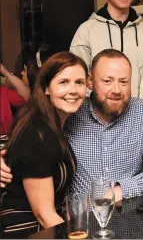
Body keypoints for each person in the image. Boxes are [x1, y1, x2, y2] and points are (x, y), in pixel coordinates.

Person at [1, 49, 143, 202]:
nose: (117, 89)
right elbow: (30, 138)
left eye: (124, 82)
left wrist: (119, 191)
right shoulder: (71, 110)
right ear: (90, 82)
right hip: (77, 222)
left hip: (128, 213)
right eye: (107, 81)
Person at [0, 52, 88, 238]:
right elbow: (43, 214)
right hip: (28, 231)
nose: (73, 90)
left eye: (79, 82)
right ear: (47, 88)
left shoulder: (49, 124)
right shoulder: (38, 133)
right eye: (63, 82)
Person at [0, 63, 30, 135]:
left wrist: (5, 72)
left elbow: (26, 95)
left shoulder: (5, 93)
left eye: (25, 70)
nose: (22, 73)